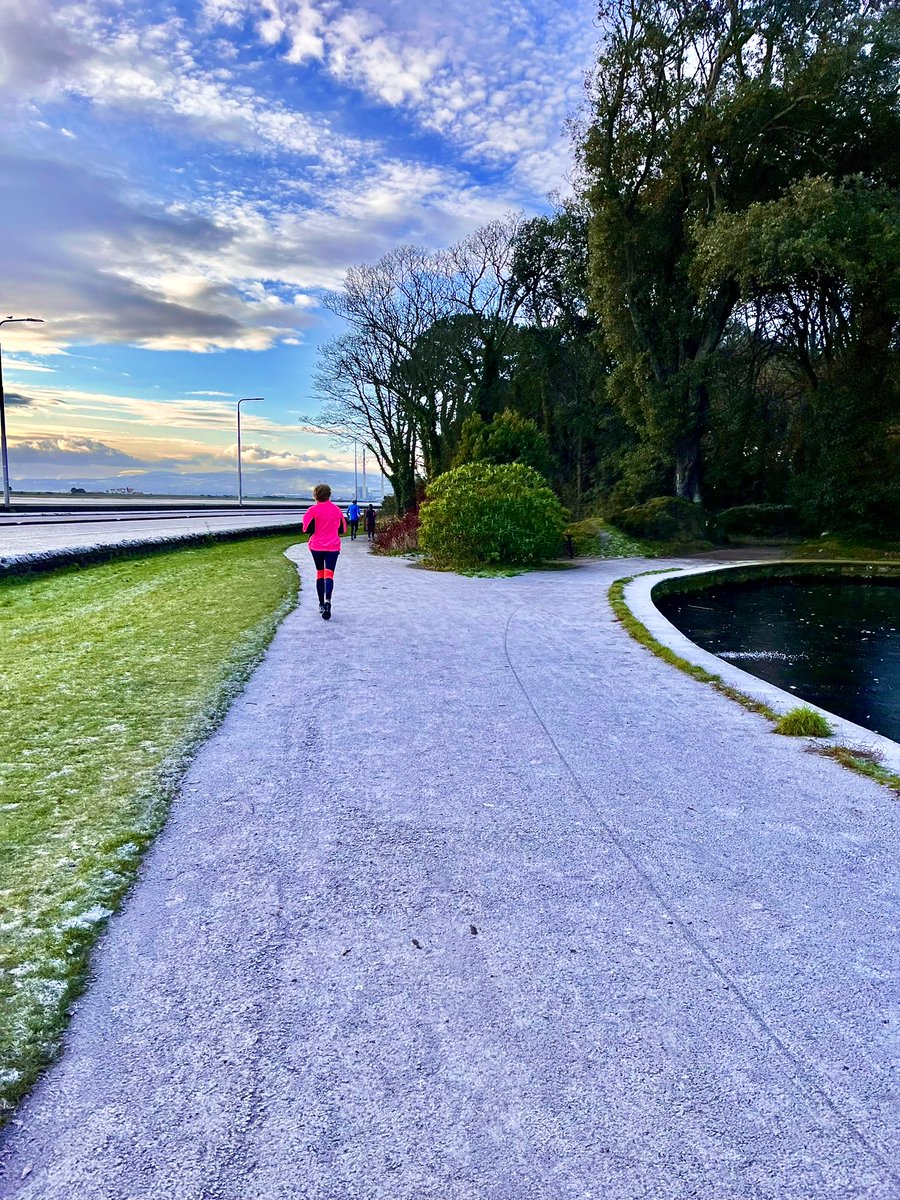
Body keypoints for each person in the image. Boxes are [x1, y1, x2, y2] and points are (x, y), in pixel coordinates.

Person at [302, 483, 347, 621]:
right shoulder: (337, 510)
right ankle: (328, 600)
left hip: (316, 546)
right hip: (333, 547)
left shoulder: (312, 511)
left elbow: (306, 529)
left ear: (315, 495)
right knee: (329, 574)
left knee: (320, 573)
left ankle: (321, 603)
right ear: (329, 495)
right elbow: (343, 530)